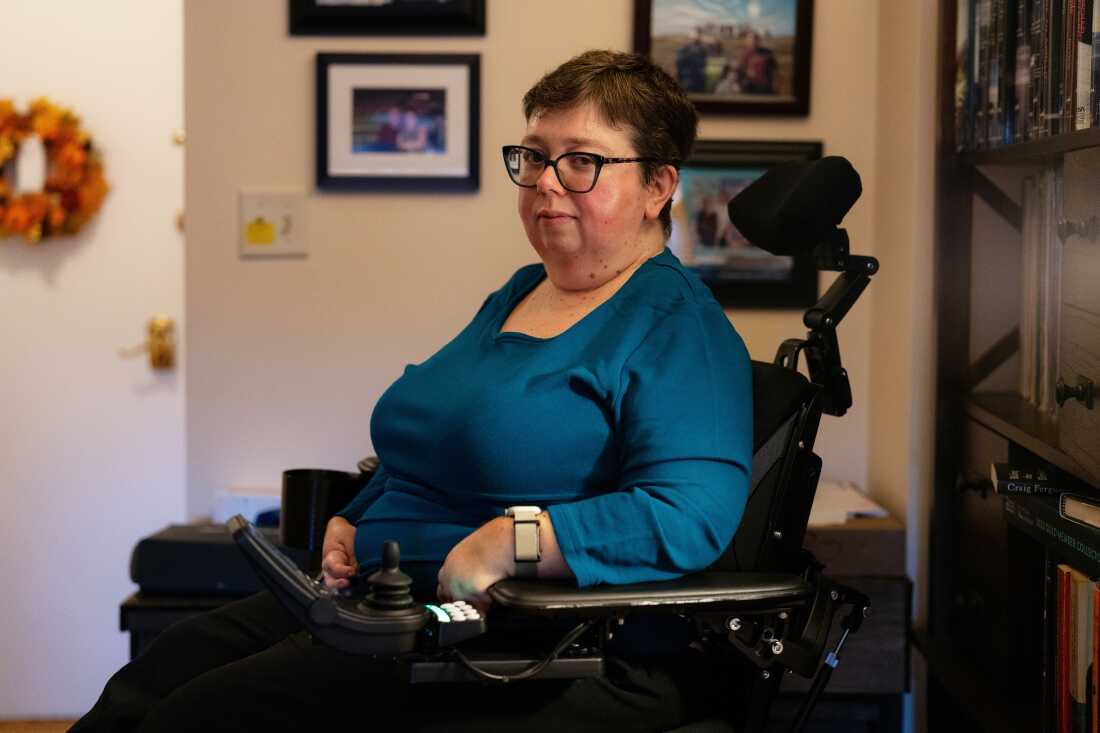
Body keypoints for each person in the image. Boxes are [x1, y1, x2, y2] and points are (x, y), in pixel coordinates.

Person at [72, 49, 753, 732]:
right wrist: (354, 518)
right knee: (154, 677)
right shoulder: (522, 291)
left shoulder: (677, 325)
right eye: (535, 156)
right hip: (380, 598)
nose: (547, 182)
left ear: (658, 185)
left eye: (582, 161)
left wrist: (509, 540)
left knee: (197, 718)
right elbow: (434, 440)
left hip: (516, 642)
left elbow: (690, 512)